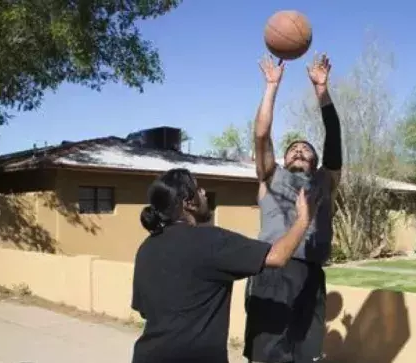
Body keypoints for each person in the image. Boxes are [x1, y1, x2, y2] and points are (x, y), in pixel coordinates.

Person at [131, 168, 315, 363]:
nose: (203, 193)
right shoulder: (210, 240)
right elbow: (277, 256)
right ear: (188, 203)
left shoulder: (147, 248)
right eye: (198, 189)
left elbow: (144, 310)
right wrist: (303, 219)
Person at [243, 53, 342, 363]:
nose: (299, 150)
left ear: (314, 161)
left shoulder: (324, 181)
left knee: (306, 356)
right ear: (284, 160)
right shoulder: (271, 176)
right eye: (293, 149)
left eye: (306, 148)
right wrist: (271, 86)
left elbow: (334, 137)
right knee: (269, 354)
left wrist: (322, 90)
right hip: (273, 271)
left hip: (312, 274)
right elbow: (261, 134)